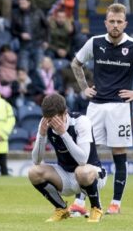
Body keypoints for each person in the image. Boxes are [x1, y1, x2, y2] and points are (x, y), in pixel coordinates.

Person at [70, 3, 133, 215]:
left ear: (125, 23)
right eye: (111, 21)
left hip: (120, 108)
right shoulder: (94, 43)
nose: (115, 25)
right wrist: (84, 88)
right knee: (86, 154)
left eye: (119, 22)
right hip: (95, 106)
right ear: (105, 22)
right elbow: (76, 64)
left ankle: (115, 203)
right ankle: (80, 202)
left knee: (119, 154)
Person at [29, 92, 106, 223]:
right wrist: (41, 135)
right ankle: (61, 209)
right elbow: (36, 160)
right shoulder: (45, 123)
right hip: (65, 175)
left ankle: (96, 208)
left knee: (82, 171)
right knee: (34, 172)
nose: (52, 123)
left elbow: (82, 160)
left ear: (65, 112)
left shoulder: (81, 122)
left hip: (91, 174)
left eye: (55, 118)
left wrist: (63, 134)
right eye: (48, 119)